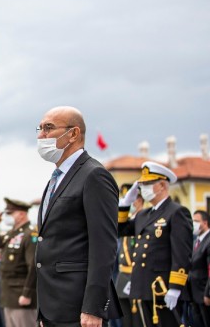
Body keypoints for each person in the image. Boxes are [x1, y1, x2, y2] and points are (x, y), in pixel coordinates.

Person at [35, 106, 121, 325]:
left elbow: (104, 247)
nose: (41, 135)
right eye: (40, 128)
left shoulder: (94, 175)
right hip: (52, 305)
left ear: (73, 133)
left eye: (48, 128)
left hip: (78, 306)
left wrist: (93, 307)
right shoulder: (57, 178)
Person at [118, 161, 192, 327]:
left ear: (161, 186)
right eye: (142, 185)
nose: (143, 189)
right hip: (141, 287)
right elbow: (120, 230)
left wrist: (175, 287)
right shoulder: (143, 215)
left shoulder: (176, 212)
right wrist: (124, 204)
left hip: (161, 288)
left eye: (148, 184)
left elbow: (181, 253)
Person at [0, 198, 37, 327]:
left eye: (10, 214)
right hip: (8, 295)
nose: (7, 217)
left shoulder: (30, 234)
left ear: (21, 214)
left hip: (21, 296)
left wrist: (27, 293)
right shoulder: (12, 234)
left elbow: (33, 266)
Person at [114, 185, 143, 327]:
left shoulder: (145, 219)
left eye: (132, 200)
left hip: (137, 275)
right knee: (125, 319)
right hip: (122, 275)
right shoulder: (127, 221)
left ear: (140, 200)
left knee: (139, 319)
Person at [189, 210, 210, 326]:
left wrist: (208, 293)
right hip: (195, 294)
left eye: (197, 221)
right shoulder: (196, 241)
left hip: (205, 294)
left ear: (205, 223)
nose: (194, 224)